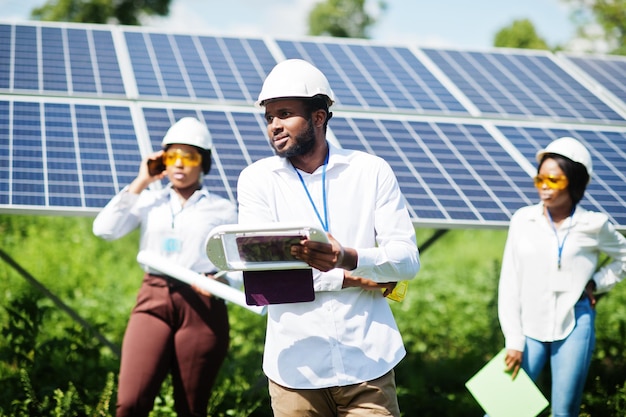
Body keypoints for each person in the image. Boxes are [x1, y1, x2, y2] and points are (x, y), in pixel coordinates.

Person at [236, 59, 421, 417]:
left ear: (318, 117)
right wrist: (348, 276)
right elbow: (264, 279)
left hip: (368, 363)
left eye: (285, 114)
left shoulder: (371, 172)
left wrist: (349, 255)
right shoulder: (257, 180)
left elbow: (407, 260)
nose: (274, 126)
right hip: (295, 369)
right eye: (269, 117)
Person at [93, 117, 238, 417]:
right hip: (154, 297)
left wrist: (225, 283)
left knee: (191, 407)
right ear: (162, 161)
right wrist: (142, 180)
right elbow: (104, 230)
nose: (180, 164)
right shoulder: (149, 201)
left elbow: (237, 261)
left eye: (190, 156)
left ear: (203, 162)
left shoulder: (222, 208)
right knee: (131, 403)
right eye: (172, 156)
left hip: (203, 302)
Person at [497, 136, 626, 417]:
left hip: (574, 321)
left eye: (554, 180)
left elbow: (623, 255)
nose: (544, 187)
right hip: (528, 324)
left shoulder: (594, 224)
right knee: (505, 409)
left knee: (564, 411)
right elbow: (509, 283)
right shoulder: (522, 220)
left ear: (575, 182)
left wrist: (597, 283)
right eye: (540, 179)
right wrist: (514, 340)